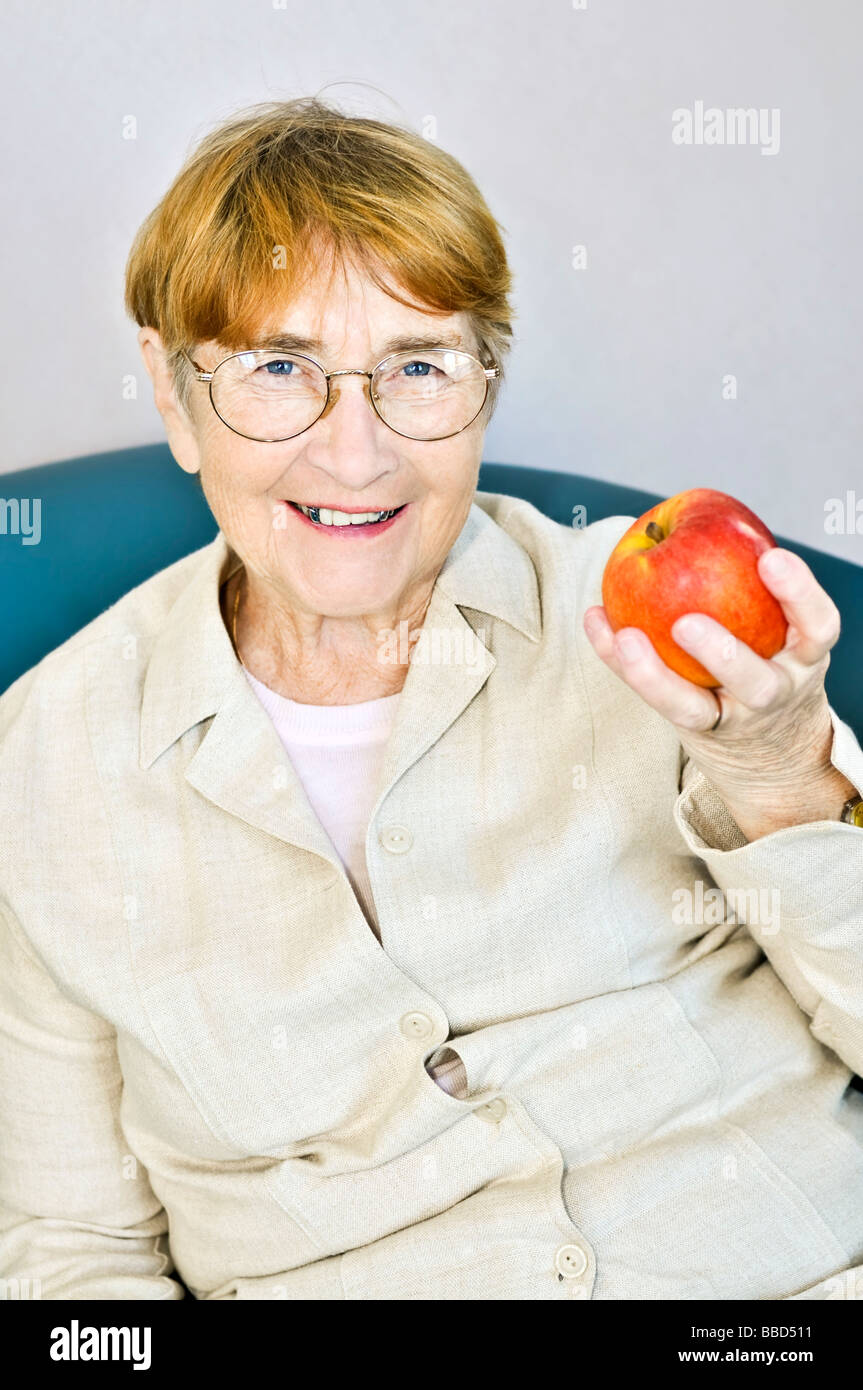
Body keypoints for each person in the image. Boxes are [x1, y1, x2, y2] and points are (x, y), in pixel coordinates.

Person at [1, 96, 862, 1302]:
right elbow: (73, 1258)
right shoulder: (40, 766)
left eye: (415, 366)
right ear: (168, 387)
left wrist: (780, 777)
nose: (354, 455)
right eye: (276, 369)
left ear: (487, 380)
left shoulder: (651, 629)